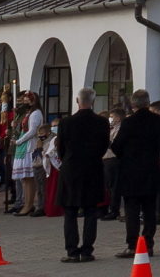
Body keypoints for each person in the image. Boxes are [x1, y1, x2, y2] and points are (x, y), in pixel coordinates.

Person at [58, 89, 111, 262]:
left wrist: (67, 158)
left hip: (71, 168)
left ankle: (72, 251)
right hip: (92, 168)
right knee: (90, 210)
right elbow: (104, 146)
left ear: (77, 101)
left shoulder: (66, 122)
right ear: (93, 101)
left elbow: (60, 148)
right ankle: (87, 250)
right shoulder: (101, 122)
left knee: (70, 210)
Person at [110, 91, 160, 256]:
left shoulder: (129, 122)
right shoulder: (159, 121)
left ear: (133, 105)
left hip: (131, 171)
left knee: (132, 209)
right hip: (151, 170)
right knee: (149, 208)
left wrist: (125, 154)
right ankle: (148, 243)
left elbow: (117, 145)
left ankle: (133, 245)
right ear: (148, 103)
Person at [12, 92, 45, 217]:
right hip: (23, 145)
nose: (23, 102)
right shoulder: (28, 113)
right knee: (24, 179)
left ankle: (29, 204)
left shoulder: (36, 113)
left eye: (26, 100)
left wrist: (19, 141)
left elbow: (32, 131)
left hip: (29, 146)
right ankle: (26, 204)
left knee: (29, 178)